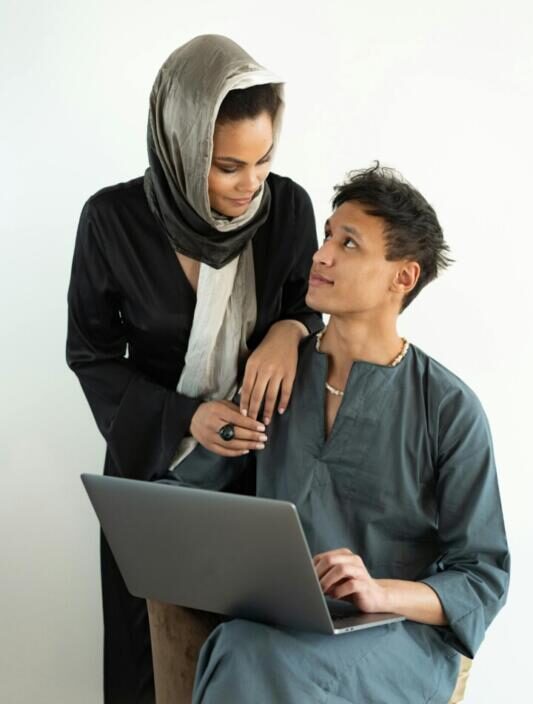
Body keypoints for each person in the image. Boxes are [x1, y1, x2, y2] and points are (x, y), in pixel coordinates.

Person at [168, 164, 510, 703]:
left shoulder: (449, 408)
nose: (321, 254)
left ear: (403, 277)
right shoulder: (273, 376)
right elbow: (183, 498)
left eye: (348, 244)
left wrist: (379, 592)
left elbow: (482, 574)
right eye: (328, 235)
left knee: (254, 658)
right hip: (276, 628)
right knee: (242, 647)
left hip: (395, 637)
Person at [66, 34, 322, 703]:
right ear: (179, 146)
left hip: (257, 481)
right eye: (227, 166)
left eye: (263, 160)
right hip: (152, 474)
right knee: (146, 660)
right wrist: (188, 416)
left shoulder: (287, 210)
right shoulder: (111, 221)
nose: (250, 185)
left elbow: (311, 305)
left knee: (248, 661)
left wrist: (289, 331)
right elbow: (89, 353)